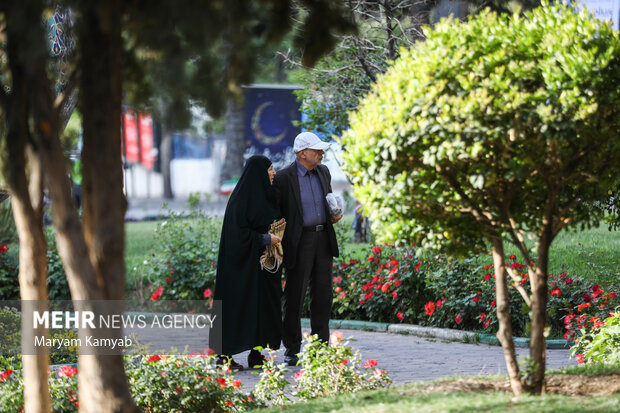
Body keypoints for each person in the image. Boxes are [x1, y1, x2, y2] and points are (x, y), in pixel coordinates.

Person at [273, 132, 342, 366]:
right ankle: (292, 349)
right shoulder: (283, 178)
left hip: (323, 238)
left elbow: (328, 199)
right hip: (298, 242)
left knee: (323, 295)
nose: (321, 153)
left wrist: (334, 214)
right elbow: (277, 214)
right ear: (303, 154)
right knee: (295, 296)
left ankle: (321, 347)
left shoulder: (323, 172)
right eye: (317, 150)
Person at [210, 155, 283, 370]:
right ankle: (224, 358)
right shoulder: (239, 201)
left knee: (264, 308)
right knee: (237, 307)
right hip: (240, 268)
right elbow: (236, 235)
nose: (274, 173)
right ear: (259, 173)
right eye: (270, 169)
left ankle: (257, 354)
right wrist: (264, 238)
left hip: (264, 266)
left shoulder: (270, 196)